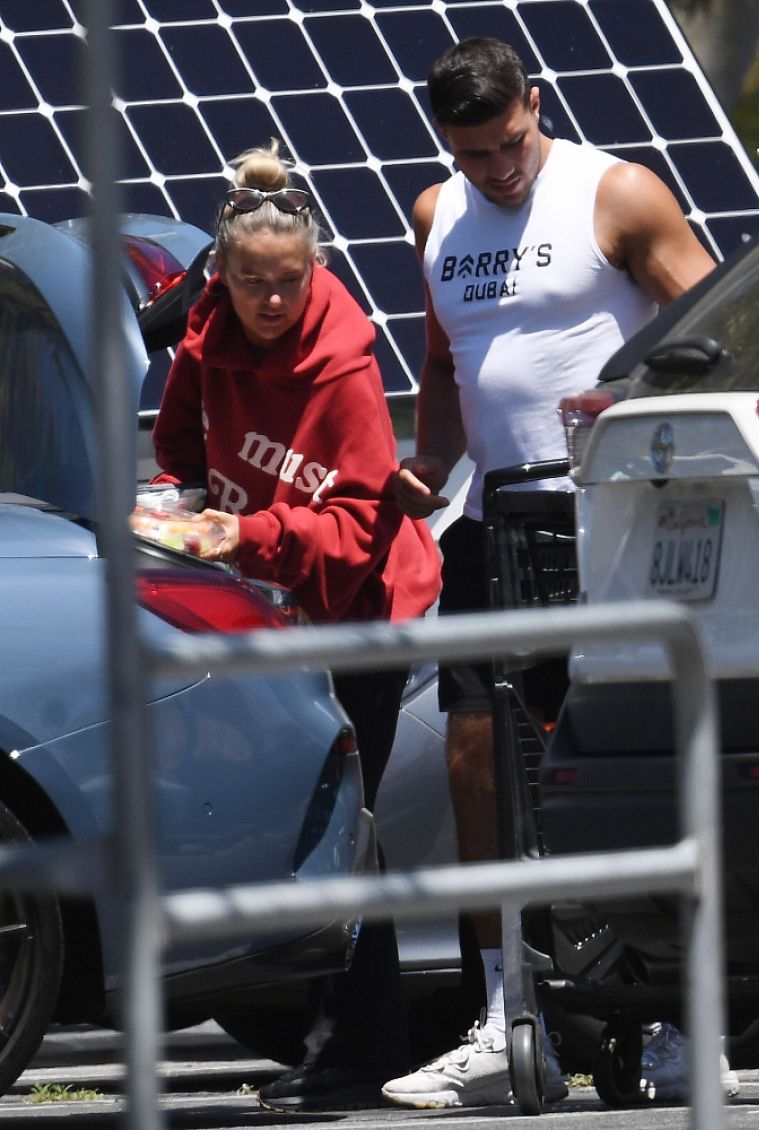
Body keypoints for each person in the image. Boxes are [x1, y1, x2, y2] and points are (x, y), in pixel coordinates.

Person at [385, 36, 729, 1110]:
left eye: (509, 143)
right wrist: (429, 459)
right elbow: (444, 362)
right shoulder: (435, 214)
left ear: (537, 104)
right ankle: (499, 1011)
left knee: (625, 757)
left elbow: (714, 333)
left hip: (612, 518)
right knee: (476, 758)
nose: (496, 169)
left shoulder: (614, 192)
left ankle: (678, 1012)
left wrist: (621, 397)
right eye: (472, 153)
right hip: (496, 520)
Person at [150, 139, 441, 1112]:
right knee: (295, 819)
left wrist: (246, 529)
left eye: (286, 282)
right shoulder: (209, 335)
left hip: (358, 608)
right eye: (249, 282)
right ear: (222, 278)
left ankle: (367, 1047)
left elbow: (355, 531)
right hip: (270, 603)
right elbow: (178, 443)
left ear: (312, 270)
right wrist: (185, 506)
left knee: (342, 826)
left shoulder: (344, 365)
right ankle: (326, 1032)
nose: (270, 300)